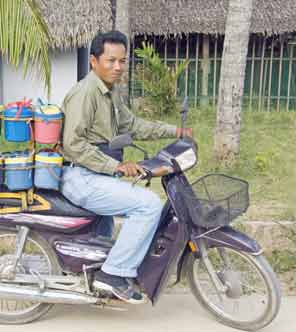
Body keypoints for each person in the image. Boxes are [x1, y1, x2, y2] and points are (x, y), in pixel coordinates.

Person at [60, 30, 191, 304]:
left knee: (122, 216)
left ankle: (101, 271)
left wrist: (175, 131)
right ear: (94, 61)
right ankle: (113, 274)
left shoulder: (111, 91)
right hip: (81, 176)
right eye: (111, 61)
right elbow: (73, 144)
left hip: (97, 175)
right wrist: (117, 166)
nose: (118, 67)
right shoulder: (85, 93)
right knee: (148, 205)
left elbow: (132, 125)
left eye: (122, 61)